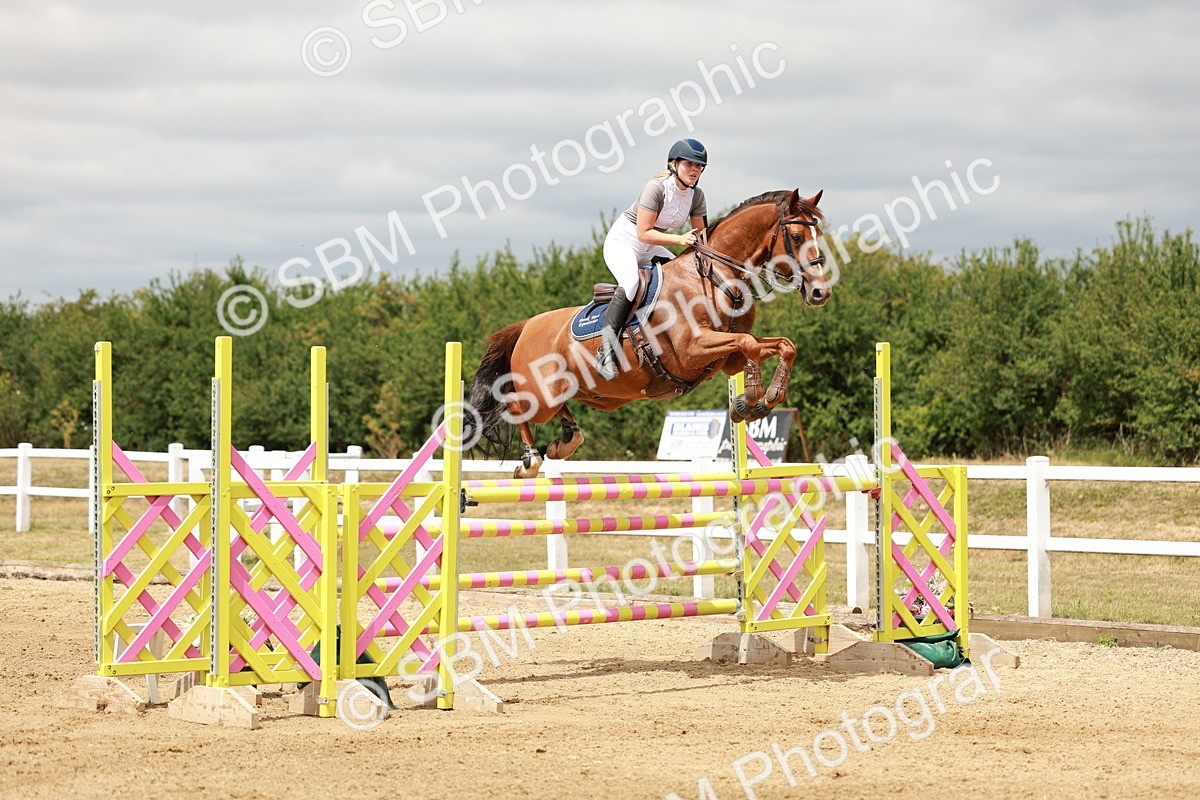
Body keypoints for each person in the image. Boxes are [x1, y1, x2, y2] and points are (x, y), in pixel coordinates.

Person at [595, 138, 710, 380]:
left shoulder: (696, 196)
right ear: (673, 164)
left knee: (683, 279)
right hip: (624, 242)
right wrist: (680, 240)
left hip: (651, 246)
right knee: (631, 283)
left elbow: (701, 238)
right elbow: (643, 233)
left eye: (699, 166)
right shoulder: (655, 188)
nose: (694, 170)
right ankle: (605, 350)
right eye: (689, 164)